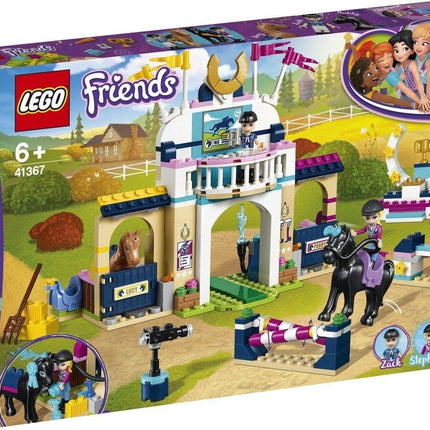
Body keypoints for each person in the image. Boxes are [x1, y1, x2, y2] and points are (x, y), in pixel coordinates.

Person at [349, 57, 414, 108]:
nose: (375, 73)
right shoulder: (374, 95)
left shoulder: (366, 93)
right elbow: (395, 101)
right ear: (361, 83)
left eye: (376, 68)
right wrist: (413, 105)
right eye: (369, 74)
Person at [389, 29, 429, 108]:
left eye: (405, 49)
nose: (400, 54)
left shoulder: (411, 64)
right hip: (403, 96)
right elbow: (395, 88)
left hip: (416, 95)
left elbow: (418, 80)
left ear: (412, 51)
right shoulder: (397, 67)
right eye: (396, 50)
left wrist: (422, 96)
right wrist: (399, 79)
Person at [412, 22, 430, 97]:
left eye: (424, 44)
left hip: (426, 88)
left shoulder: (428, 61)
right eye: (416, 42)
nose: (418, 47)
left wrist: (428, 98)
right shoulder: (417, 55)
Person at [54, 349, 73, 414]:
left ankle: (66, 404)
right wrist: (54, 369)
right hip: (61, 384)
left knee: (66, 393)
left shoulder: (67, 372)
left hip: (66, 384)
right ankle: (62, 402)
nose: (59, 367)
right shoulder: (60, 370)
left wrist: (62, 383)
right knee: (62, 393)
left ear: (68, 364)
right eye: (58, 364)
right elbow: (56, 372)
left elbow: (65, 378)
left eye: (62, 365)